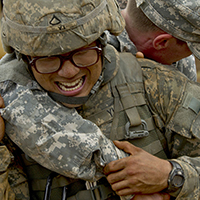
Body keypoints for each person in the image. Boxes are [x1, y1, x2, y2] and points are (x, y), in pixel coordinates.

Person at [0, 0, 200, 199]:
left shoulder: (158, 85)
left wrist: (173, 175)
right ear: (25, 58)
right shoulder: (8, 110)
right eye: (48, 58)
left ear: (101, 43)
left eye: (82, 53)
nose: (69, 72)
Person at [107, 0, 198, 82]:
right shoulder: (97, 52)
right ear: (162, 42)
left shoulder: (183, 66)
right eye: (192, 48)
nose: (190, 54)